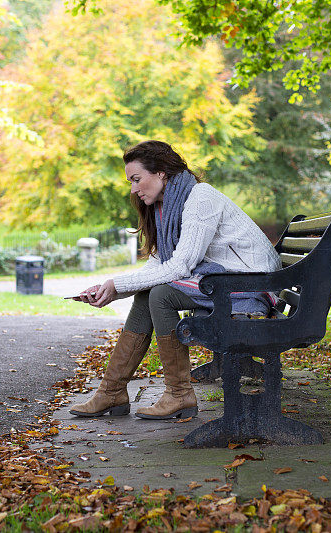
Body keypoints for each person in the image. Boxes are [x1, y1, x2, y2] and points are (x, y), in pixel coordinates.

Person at [69, 140, 280, 420]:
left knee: (161, 295)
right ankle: (111, 392)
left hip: (251, 286)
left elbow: (180, 267)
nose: (133, 189)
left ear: (161, 173)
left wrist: (117, 286)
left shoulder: (200, 198)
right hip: (226, 281)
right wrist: (111, 288)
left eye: (136, 179)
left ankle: (179, 394)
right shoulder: (167, 206)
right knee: (149, 293)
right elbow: (159, 265)